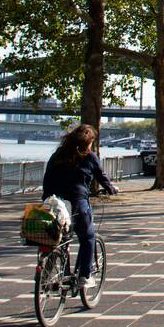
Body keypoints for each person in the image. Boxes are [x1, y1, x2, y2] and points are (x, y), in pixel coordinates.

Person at [42, 124, 119, 290]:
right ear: (89, 142)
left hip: (54, 202)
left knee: (57, 238)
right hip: (77, 202)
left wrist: (46, 199)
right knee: (88, 236)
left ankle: (45, 274)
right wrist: (111, 189)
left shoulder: (58, 155)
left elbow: (47, 178)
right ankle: (85, 275)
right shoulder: (90, 156)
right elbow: (101, 176)